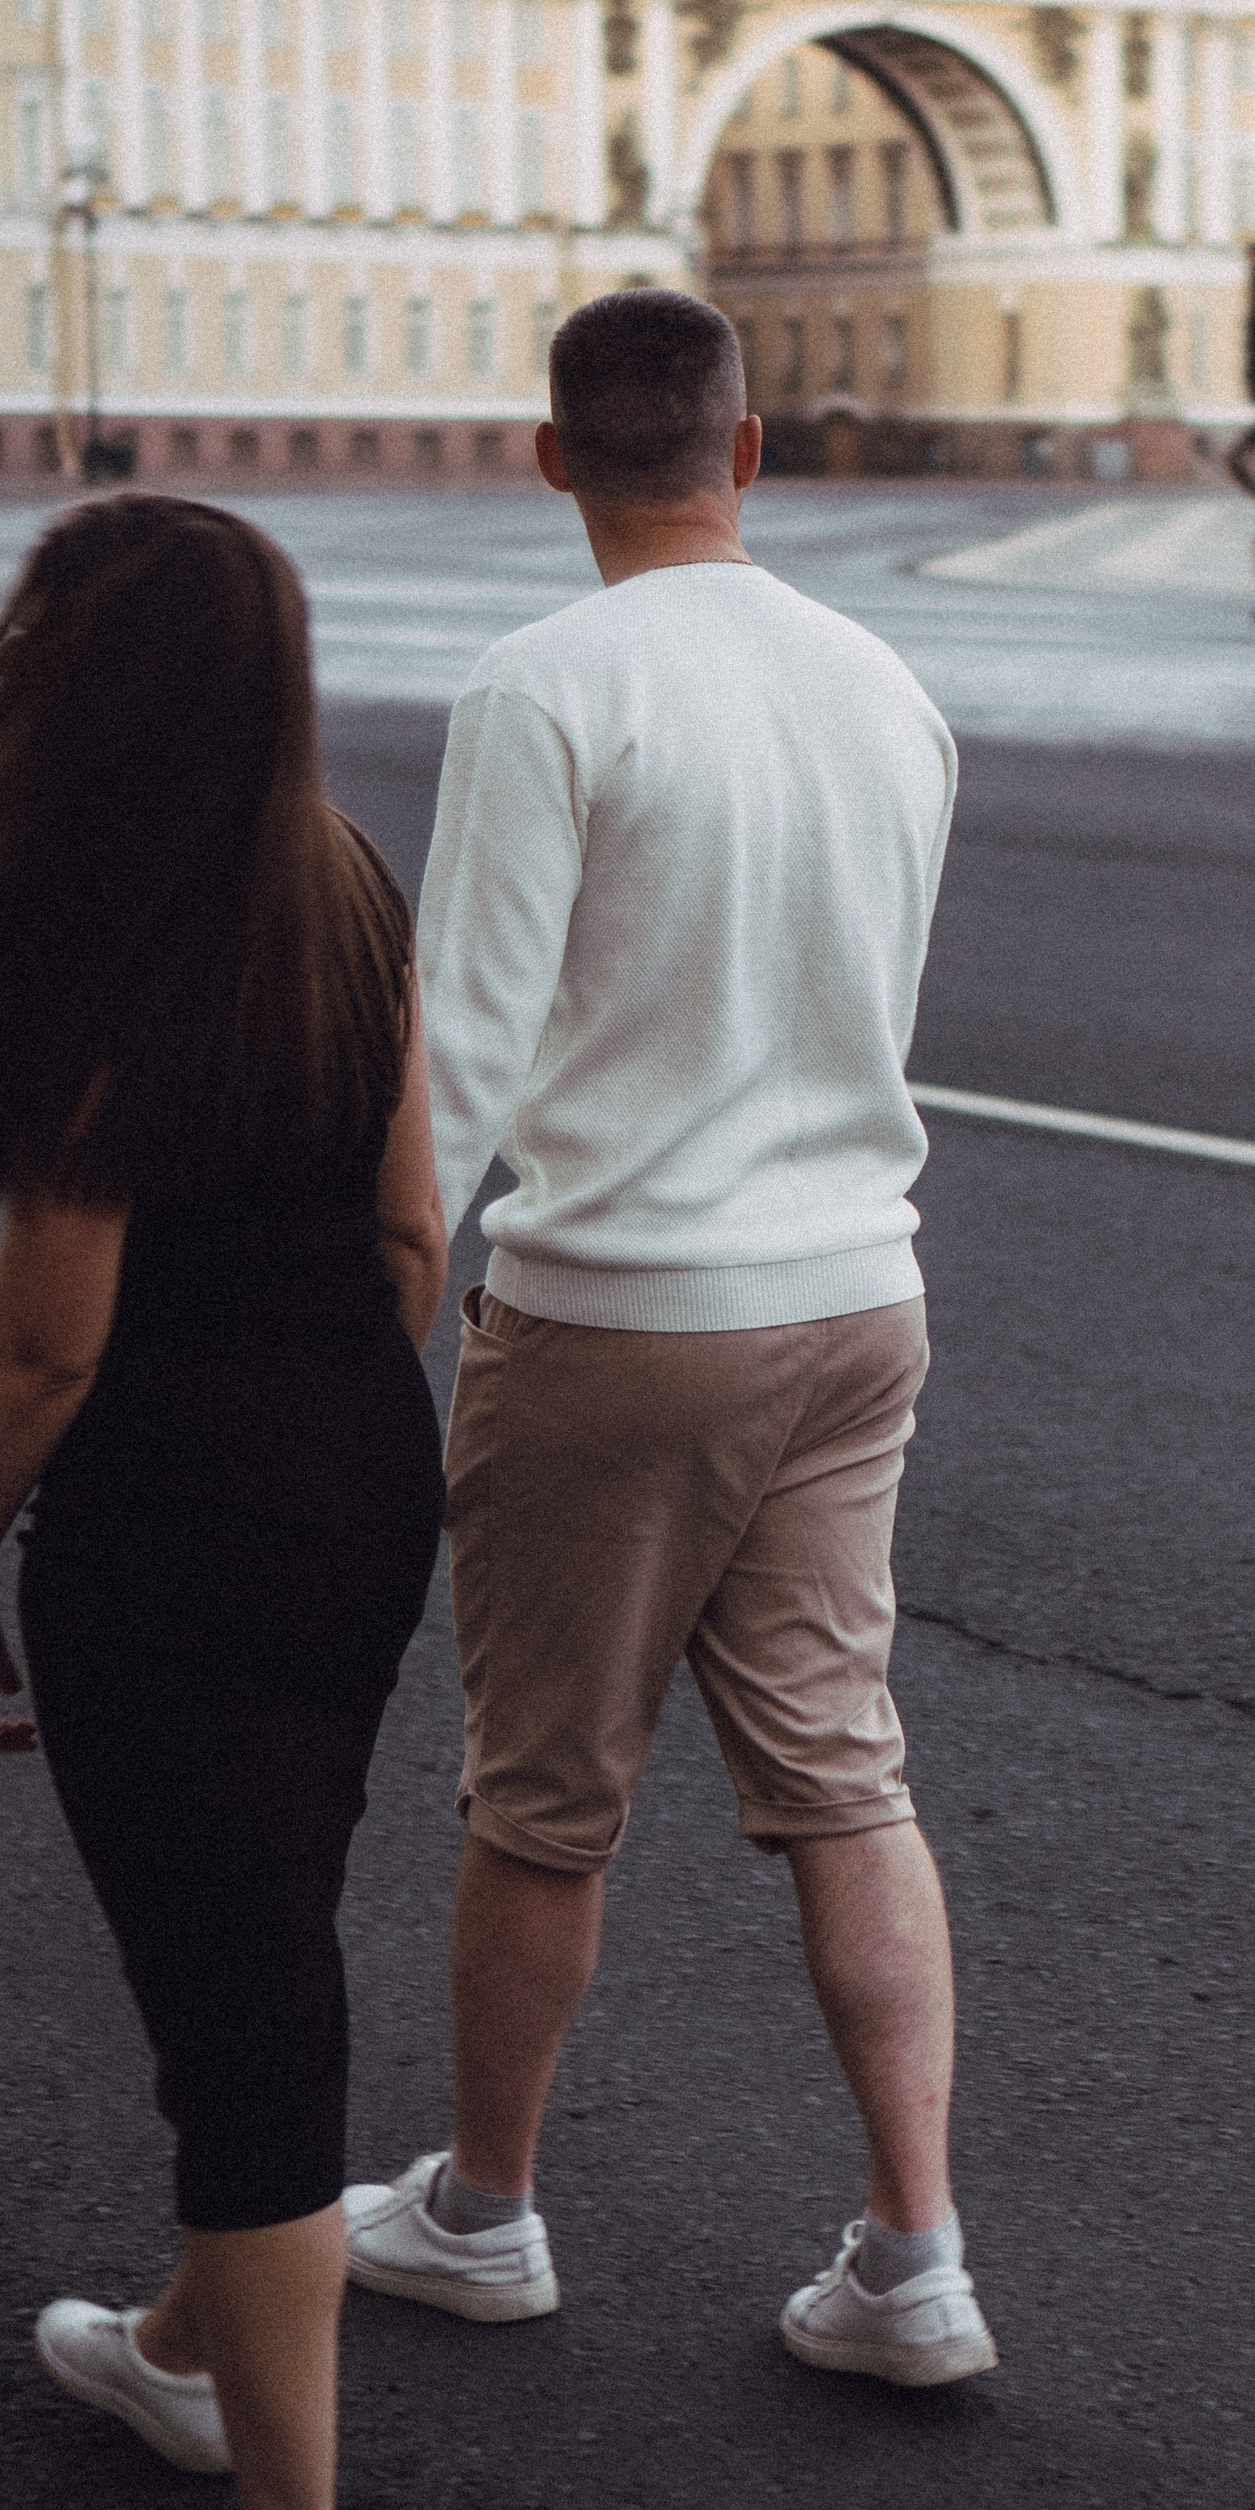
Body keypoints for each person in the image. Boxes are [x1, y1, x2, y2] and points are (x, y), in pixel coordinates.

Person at [343, 287, 993, 2385]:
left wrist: (369, 1327)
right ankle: (913, 2261)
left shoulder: (547, 685)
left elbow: (458, 1056)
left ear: (552, 458)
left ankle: (484, 2211)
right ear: (751, 449)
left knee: (543, 1793)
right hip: (856, 1295)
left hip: (622, 1311)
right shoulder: (886, 686)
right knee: (846, 1775)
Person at [0, 499, 447, 2510]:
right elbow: (412, 1234)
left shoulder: (102, 933)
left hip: (174, 1518)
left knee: (240, 2014)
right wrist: (323, 1413)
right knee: (265, 1922)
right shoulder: (344, 883)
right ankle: (194, 2349)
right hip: (358, 1477)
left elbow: (44, 1347)